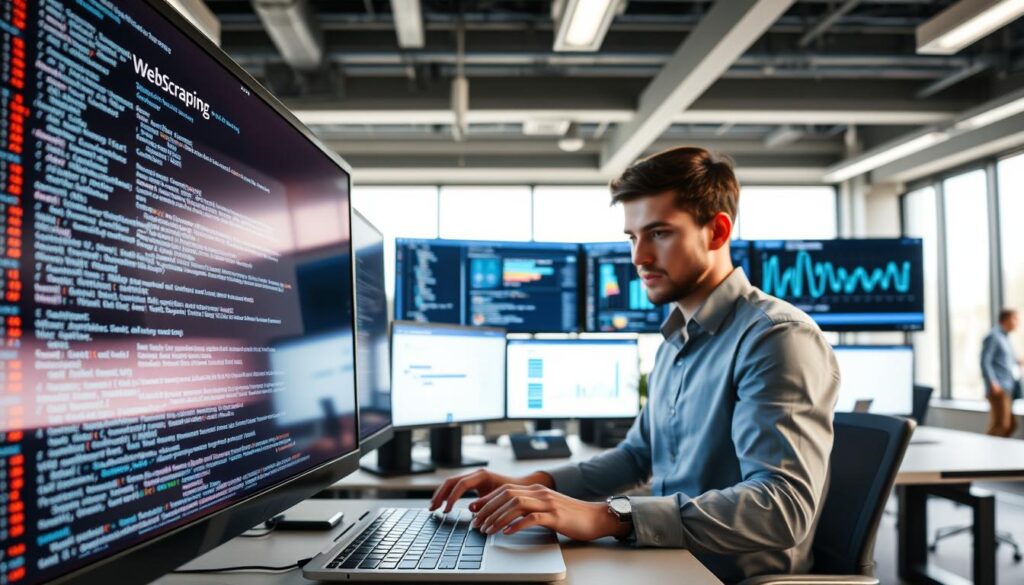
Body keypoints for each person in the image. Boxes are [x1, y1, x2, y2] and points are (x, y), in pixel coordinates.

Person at [429, 146, 839, 582]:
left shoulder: (776, 338)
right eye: (632, 237)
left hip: (724, 577)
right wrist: (539, 483)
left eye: (659, 233)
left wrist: (610, 516)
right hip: (665, 559)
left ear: (717, 232)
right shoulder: (676, 338)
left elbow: (782, 509)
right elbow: (637, 456)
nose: (639, 257)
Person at [981, 308, 1022, 437]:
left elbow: (1007, 361)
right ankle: (987, 451)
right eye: (1015, 319)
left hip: (1008, 386)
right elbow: (985, 361)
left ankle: (999, 451)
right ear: (1006, 319)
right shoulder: (993, 336)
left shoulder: (1005, 338)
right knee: (1001, 425)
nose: (1018, 322)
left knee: (1011, 425)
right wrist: (992, 382)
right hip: (999, 387)